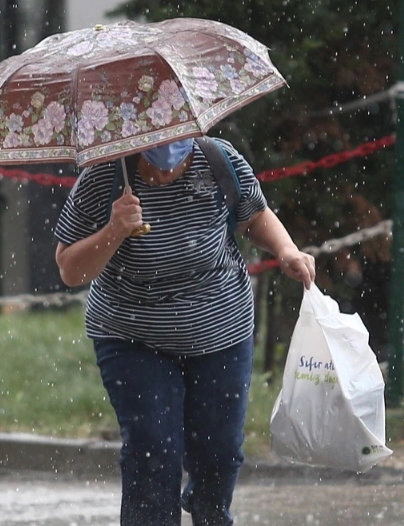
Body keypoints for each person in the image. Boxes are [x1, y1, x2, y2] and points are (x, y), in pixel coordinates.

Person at [54, 135, 314, 526]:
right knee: (152, 450)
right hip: (132, 336)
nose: (169, 156)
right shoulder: (104, 174)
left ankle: (210, 513)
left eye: (180, 143)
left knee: (220, 453)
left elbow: (255, 215)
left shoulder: (218, 159)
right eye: (157, 143)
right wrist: (115, 229)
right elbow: (70, 269)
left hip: (221, 330)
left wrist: (286, 250)